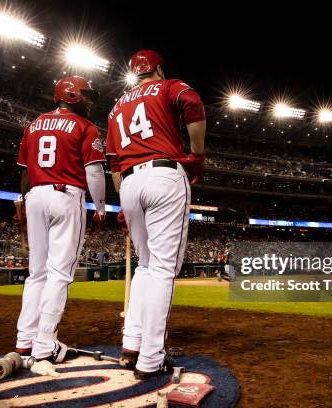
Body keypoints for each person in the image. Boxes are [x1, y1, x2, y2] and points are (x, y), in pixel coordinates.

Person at [106, 50, 206, 380]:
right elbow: (192, 102)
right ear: (158, 69)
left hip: (130, 183)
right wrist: (197, 153)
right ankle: (151, 357)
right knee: (162, 268)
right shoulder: (166, 86)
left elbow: (114, 163)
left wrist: (123, 200)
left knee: (146, 267)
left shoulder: (117, 106)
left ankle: (131, 345)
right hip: (163, 175)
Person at [14, 76, 106, 376]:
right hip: (66, 196)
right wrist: (101, 208)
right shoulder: (84, 126)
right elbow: (94, 172)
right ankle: (45, 346)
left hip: (35, 194)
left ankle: (24, 342)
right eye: (86, 96)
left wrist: (24, 202)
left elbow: (26, 173)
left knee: (36, 274)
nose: (90, 101)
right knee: (59, 275)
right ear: (72, 95)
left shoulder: (33, 125)